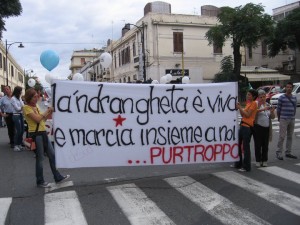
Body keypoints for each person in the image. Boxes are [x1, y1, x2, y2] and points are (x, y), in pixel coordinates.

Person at [23, 88, 70, 188]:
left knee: (52, 155)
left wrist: (48, 112)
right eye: (34, 97)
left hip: (42, 132)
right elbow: (38, 119)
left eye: (36, 96)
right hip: (36, 135)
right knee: (40, 158)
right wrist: (47, 111)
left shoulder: (36, 106)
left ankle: (57, 177)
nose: (36, 98)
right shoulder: (26, 107)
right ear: (29, 97)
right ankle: (40, 181)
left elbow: (42, 120)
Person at [234, 89, 258, 172]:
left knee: (245, 147)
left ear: (254, 96)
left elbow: (247, 115)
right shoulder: (248, 103)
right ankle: (238, 163)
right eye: (247, 94)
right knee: (238, 145)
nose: (247, 96)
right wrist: (240, 108)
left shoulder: (254, 104)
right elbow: (242, 114)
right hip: (242, 125)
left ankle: (246, 166)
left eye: (249, 95)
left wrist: (240, 107)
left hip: (247, 127)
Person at [253, 90, 275, 167]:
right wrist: (262, 108)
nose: (262, 98)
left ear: (266, 97)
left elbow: (273, 117)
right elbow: (254, 112)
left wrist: (272, 111)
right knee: (258, 145)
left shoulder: (268, 105)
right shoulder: (256, 104)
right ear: (258, 98)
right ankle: (258, 160)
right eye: (260, 97)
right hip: (258, 127)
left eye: (264, 97)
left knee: (265, 145)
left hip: (266, 128)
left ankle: (264, 160)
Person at [276, 82, 298, 160]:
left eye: (290, 87)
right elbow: (278, 109)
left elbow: (295, 108)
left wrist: (293, 116)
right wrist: (279, 118)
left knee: (290, 136)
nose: (289, 88)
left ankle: (288, 152)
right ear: (285, 88)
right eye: (287, 87)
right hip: (283, 119)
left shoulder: (294, 97)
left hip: (291, 119)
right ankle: (279, 152)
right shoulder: (281, 97)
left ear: (292, 88)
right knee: (282, 136)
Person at [11, 86, 25, 152]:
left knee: (22, 130)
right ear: (17, 91)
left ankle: (19, 143)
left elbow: (22, 105)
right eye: (20, 91)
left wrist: (22, 107)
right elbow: (17, 108)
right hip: (16, 115)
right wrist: (22, 107)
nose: (21, 92)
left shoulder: (19, 98)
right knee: (18, 131)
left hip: (20, 115)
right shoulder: (13, 99)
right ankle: (15, 145)